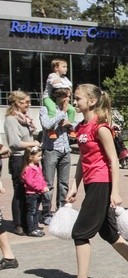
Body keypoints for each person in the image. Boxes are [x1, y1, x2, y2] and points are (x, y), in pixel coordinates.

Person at [58, 84, 128, 278]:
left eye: (78, 98)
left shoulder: (100, 128)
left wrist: (116, 192)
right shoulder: (81, 127)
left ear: (92, 101)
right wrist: (75, 185)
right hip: (92, 183)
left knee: (81, 233)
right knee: (108, 233)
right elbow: (83, 159)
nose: (75, 102)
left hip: (102, 184)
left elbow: (113, 160)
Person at [4, 91, 40, 235]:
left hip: (27, 158)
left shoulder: (24, 119)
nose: (29, 104)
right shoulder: (11, 120)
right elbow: (14, 143)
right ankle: (18, 224)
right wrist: (33, 143)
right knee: (19, 191)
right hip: (18, 159)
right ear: (17, 103)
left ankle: (28, 223)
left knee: (29, 191)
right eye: (26, 102)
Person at [38, 87, 75, 225]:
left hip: (66, 149)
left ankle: (61, 210)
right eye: (67, 97)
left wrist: (71, 123)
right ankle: (46, 212)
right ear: (60, 96)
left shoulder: (69, 110)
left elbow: (75, 126)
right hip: (51, 149)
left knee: (64, 183)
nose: (69, 100)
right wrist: (62, 113)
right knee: (49, 183)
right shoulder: (45, 109)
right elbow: (47, 124)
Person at [21, 147, 48, 237]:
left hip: (38, 193)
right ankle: (31, 229)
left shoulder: (37, 167)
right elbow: (30, 183)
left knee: (36, 211)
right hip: (31, 194)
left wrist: (44, 186)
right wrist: (41, 188)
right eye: (38, 156)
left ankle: (35, 227)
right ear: (31, 157)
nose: (40, 158)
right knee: (31, 211)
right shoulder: (29, 169)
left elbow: (41, 178)